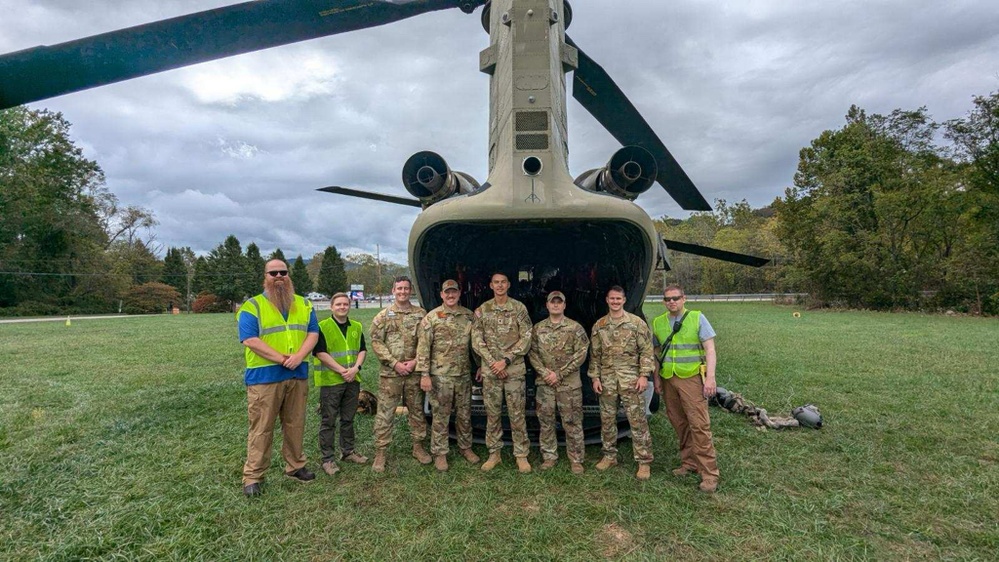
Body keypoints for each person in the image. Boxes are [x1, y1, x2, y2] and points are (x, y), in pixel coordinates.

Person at [236, 259, 320, 497]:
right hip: (265, 378)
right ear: (266, 276)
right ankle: (253, 476)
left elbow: (313, 333)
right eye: (274, 273)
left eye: (283, 272)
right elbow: (250, 340)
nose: (279, 276)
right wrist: (283, 359)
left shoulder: (304, 304)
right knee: (262, 428)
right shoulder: (252, 306)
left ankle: (296, 466)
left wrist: (299, 357)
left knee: (296, 424)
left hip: (297, 374)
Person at [652, 284, 720, 493]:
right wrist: (656, 379)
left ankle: (709, 473)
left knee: (699, 425)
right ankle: (689, 463)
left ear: (684, 298)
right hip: (668, 378)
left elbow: (710, 349)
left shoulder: (697, 318)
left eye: (675, 298)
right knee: (679, 422)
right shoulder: (658, 322)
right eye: (667, 299)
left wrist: (710, 377)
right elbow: (656, 354)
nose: (671, 302)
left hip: (691, 377)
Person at [588, 285, 656, 480]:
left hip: (631, 380)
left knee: (637, 421)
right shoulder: (599, 326)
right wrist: (595, 377)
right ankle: (609, 456)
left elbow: (646, 351)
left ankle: (644, 461)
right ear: (607, 301)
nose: (615, 302)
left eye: (618, 299)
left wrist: (644, 375)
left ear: (624, 300)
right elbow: (595, 354)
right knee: (607, 420)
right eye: (612, 299)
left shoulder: (636, 324)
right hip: (607, 380)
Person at [471, 272, 533, 473]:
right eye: (496, 282)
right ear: (490, 285)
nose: (499, 285)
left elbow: (526, 338)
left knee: (517, 414)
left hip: (513, 370)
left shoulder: (519, 308)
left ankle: (521, 455)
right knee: (493, 414)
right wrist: (492, 363)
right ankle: (494, 453)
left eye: (503, 282)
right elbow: (476, 340)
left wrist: (506, 360)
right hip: (491, 372)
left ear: (508, 285)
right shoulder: (482, 310)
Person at [416, 279, 481, 471]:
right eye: (447, 293)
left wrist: (479, 365)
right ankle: (440, 453)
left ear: (459, 293)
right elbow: (423, 348)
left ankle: (465, 447)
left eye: (454, 292)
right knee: (441, 415)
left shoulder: (468, 316)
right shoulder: (432, 317)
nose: (451, 295)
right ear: (442, 295)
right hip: (440, 376)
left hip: (462, 375)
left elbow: (475, 345)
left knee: (464, 414)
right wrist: (424, 375)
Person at [369, 276, 431, 472]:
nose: (403, 292)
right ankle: (381, 452)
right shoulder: (383, 316)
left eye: (406, 288)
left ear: (410, 290)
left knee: (416, 410)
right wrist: (395, 363)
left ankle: (418, 447)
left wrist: (414, 362)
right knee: (385, 413)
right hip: (391, 374)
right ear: (393, 290)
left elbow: (425, 342)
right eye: (399, 288)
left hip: (413, 373)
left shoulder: (421, 315)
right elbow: (376, 342)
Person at [528, 291, 589, 474]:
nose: (555, 305)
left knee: (572, 422)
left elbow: (581, 354)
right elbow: (532, 353)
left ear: (564, 305)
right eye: (552, 302)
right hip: (545, 384)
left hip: (568, 385)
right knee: (545, 421)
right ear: (547, 305)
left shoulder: (575, 328)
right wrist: (545, 373)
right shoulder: (537, 329)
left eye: (559, 302)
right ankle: (549, 456)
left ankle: (576, 459)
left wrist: (560, 374)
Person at [312, 292, 369, 476]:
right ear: (332, 307)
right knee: (328, 421)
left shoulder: (357, 327)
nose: (342, 307)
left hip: (352, 380)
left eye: (345, 304)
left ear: (349, 306)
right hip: (331, 382)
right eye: (338, 304)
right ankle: (328, 459)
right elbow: (320, 353)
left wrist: (355, 369)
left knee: (348, 418)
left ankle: (348, 452)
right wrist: (341, 370)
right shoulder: (322, 327)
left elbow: (362, 350)